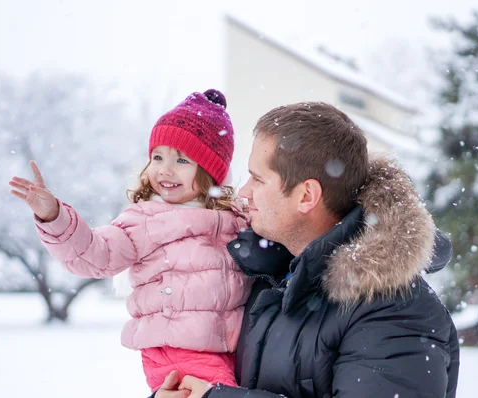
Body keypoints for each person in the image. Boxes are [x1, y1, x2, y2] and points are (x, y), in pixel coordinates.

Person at [159, 102, 460, 398]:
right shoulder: (264, 274)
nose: (244, 192)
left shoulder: (396, 309)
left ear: (306, 196)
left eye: (258, 179)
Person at [9, 89, 253, 393]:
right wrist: (54, 216)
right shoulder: (146, 219)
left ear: (210, 170)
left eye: (181, 160)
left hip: (227, 351)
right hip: (175, 350)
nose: (165, 169)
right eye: (158, 157)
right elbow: (95, 254)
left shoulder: (236, 220)